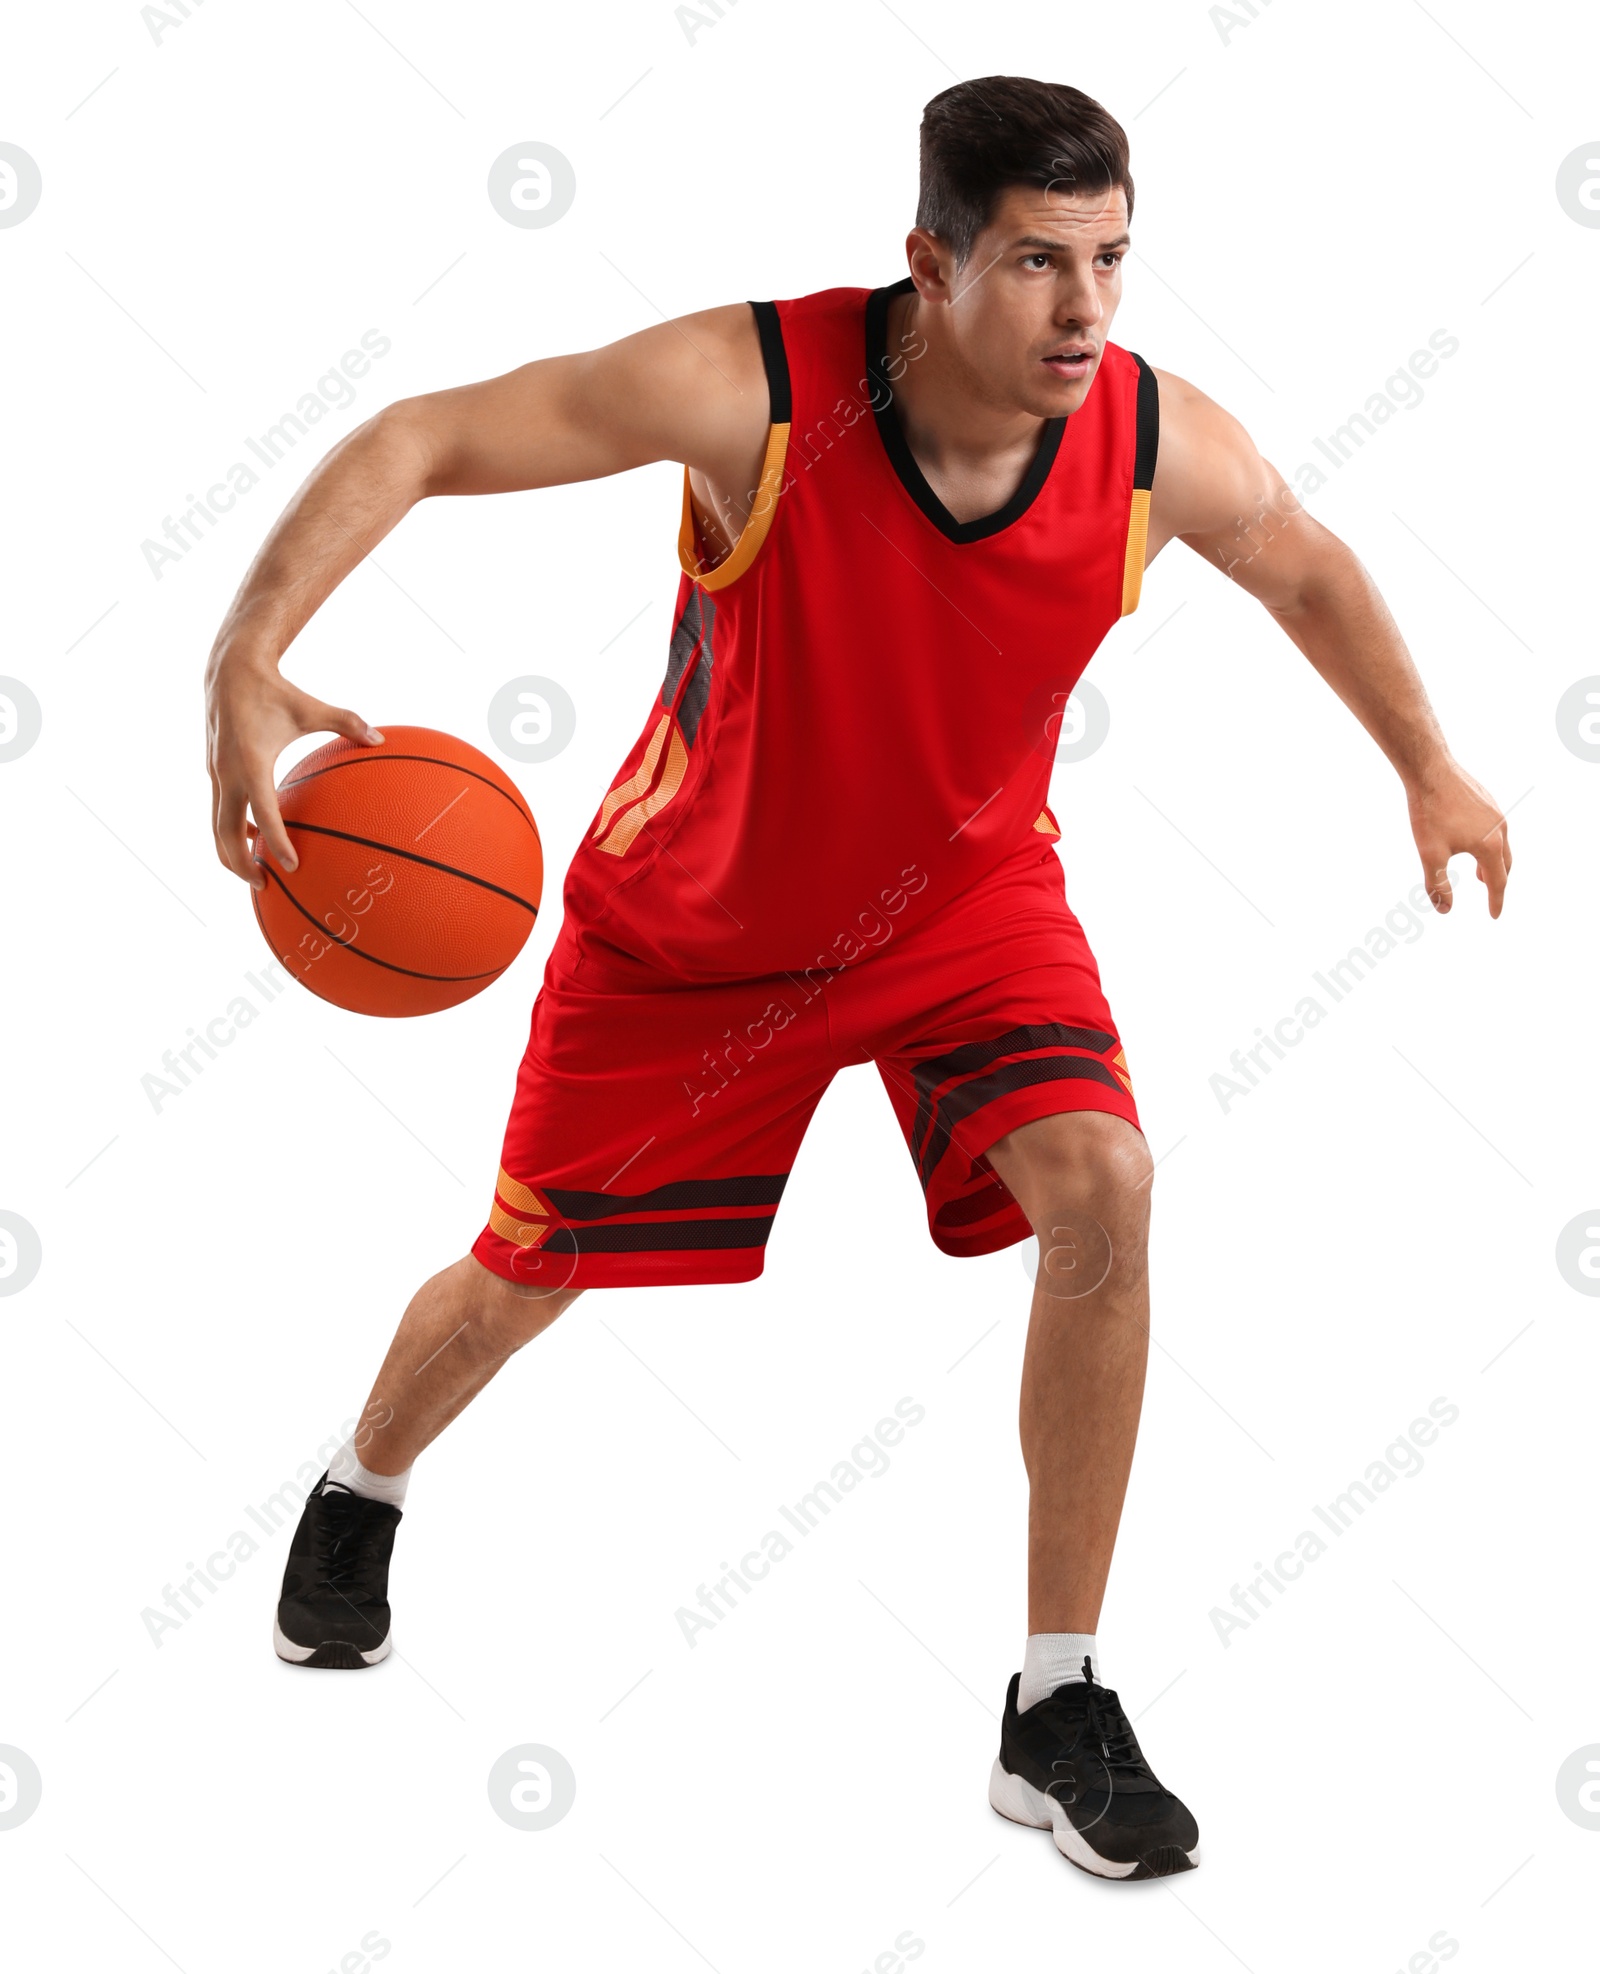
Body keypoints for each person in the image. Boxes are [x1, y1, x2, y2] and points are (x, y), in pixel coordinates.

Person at [203, 75, 1510, 1880]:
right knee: (524, 1275)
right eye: (1043, 263)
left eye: (1115, 261)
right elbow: (429, 432)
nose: (1087, 311)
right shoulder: (756, 388)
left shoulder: (1147, 444)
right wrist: (247, 648)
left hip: (963, 912)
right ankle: (362, 1486)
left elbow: (1306, 565)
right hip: (694, 935)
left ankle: (1058, 1702)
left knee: (1109, 1187)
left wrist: (1427, 762)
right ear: (931, 258)